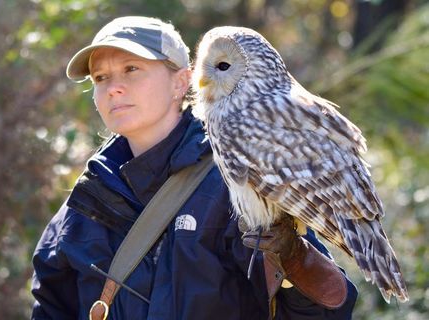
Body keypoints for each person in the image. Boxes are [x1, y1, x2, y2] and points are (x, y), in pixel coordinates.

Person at [31, 16, 357, 320]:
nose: (113, 87)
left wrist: (294, 258)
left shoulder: (236, 182)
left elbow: (330, 309)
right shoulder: (87, 197)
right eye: (101, 77)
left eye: (132, 69)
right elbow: (50, 307)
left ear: (181, 82)